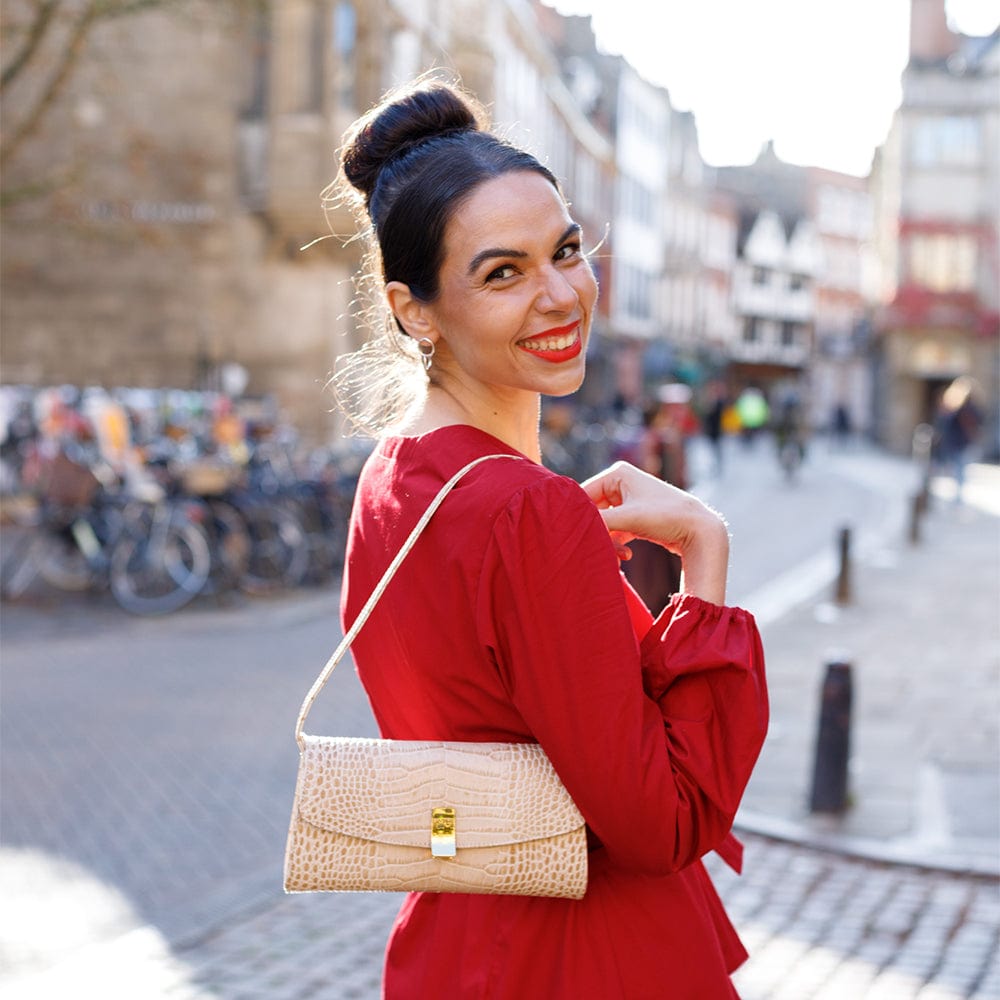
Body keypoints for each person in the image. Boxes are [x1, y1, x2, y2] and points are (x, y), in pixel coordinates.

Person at [330, 76, 768, 999]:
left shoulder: (392, 477)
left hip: (460, 939)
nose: (562, 295)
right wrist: (704, 555)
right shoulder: (526, 510)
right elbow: (663, 826)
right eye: (503, 272)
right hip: (584, 958)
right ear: (413, 308)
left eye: (565, 250)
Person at [934, 375, 983, 503]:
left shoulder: (967, 406)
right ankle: (947, 497)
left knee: (957, 470)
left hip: (960, 442)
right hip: (954, 442)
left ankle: (956, 498)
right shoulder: (953, 405)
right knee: (951, 470)